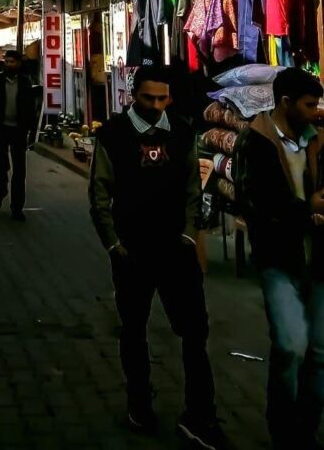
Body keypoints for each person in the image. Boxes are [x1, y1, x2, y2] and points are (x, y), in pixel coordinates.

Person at [88, 64, 225, 448]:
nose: (156, 105)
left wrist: (189, 233)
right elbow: (99, 193)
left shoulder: (181, 131)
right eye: (148, 98)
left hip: (176, 249)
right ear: (134, 95)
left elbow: (192, 187)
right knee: (134, 329)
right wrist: (114, 245)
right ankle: (139, 403)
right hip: (132, 250)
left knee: (195, 331)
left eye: (162, 98)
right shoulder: (113, 134)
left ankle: (200, 413)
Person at [235, 67, 324, 450]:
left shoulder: (317, 138)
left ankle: (306, 431)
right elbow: (257, 204)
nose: (316, 110)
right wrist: (309, 211)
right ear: (286, 103)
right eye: (309, 104)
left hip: (319, 260)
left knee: (318, 352)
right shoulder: (255, 142)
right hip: (279, 261)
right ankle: (284, 433)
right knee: (290, 346)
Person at [0, 50, 37, 222]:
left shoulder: (25, 82)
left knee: (19, 170)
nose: (9, 64)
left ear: (19, 63)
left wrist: (32, 131)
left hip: (19, 130)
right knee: (1, 166)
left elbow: (31, 108)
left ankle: (17, 207)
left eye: (13, 62)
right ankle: (0, 192)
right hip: (0, 129)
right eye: (7, 61)